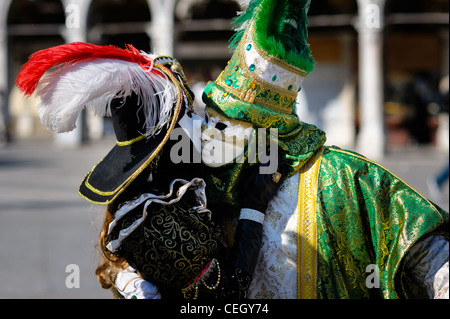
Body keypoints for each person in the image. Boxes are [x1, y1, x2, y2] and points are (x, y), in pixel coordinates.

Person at [198, 0, 448, 299]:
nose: (209, 133)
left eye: (227, 122)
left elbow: (430, 258)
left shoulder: (345, 178)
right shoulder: (198, 188)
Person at [15, 42, 285, 299]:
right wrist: (254, 206)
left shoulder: (168, 190)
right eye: (185, 117)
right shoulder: (154, 224)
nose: (197, 124)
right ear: (163, 145)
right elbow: (226, 293)